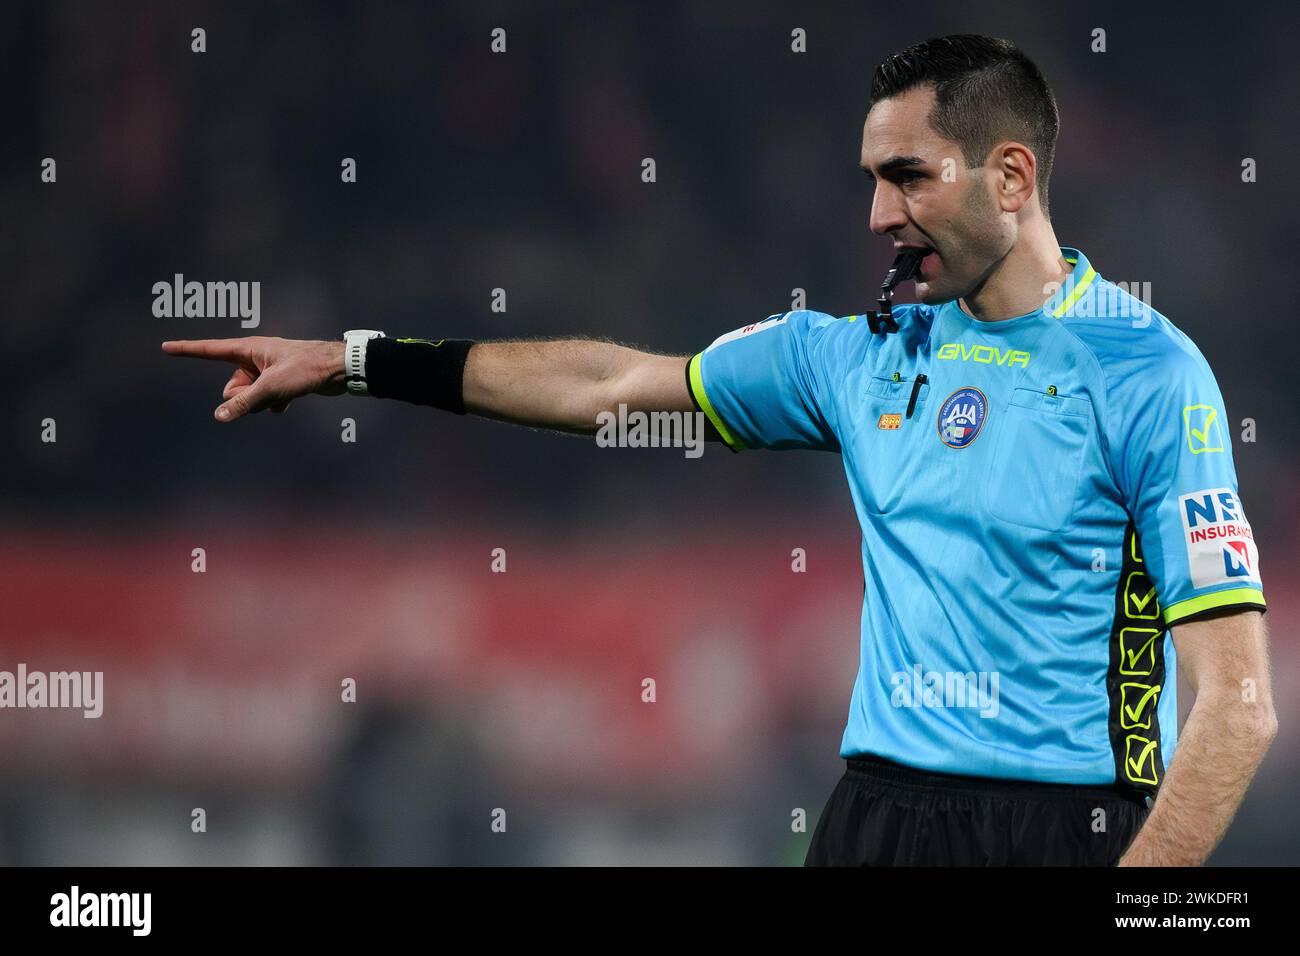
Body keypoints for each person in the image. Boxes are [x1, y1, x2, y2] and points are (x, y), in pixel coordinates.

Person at [163, 34, 1275, 866]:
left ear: (1013, 177)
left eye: (909, 176)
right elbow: (608, 387)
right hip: (873, 818)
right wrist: (355, 360)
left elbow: (1235, 704)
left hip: (1063, 828)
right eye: (870, 177)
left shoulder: (1145, 375)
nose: (878, 215)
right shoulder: (853, 358)